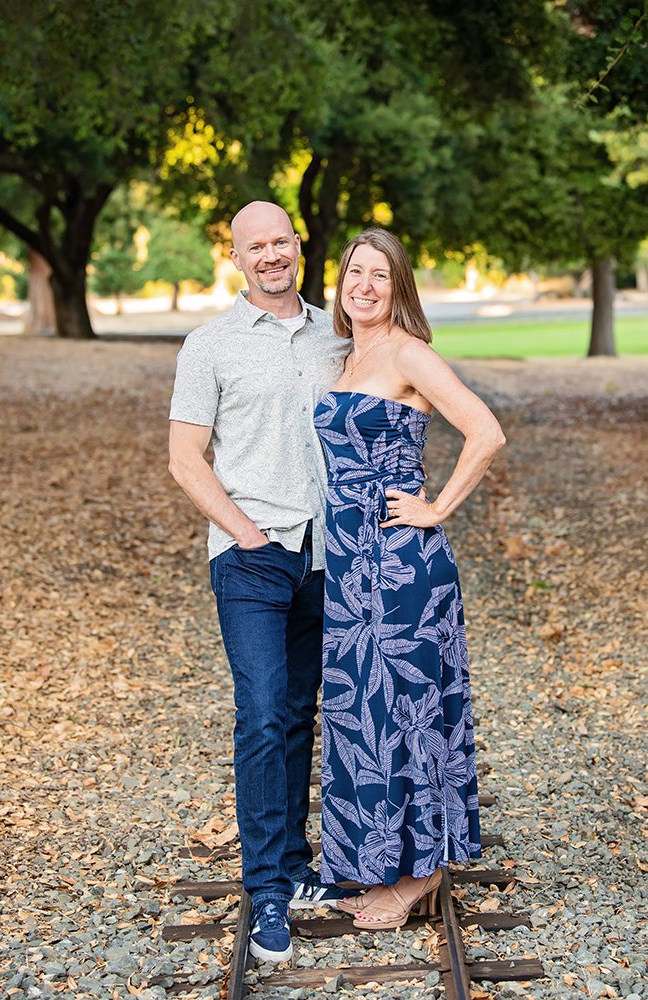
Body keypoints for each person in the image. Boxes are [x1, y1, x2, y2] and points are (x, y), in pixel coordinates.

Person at [168, 202, 349, 962]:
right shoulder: (208, 345)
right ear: (235, 256)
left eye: (280, 241)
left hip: (324, 555)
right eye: (255, 246)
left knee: (301, 712)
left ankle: (298, 867)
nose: (271, 255)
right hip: (249, 556)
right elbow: (185, 459)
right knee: (263, 711)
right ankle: (268, 889)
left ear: (297, 246)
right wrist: (246, 531)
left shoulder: (336, 338)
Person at [313, 229, 505, 929]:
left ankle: (420, 876)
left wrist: (434, 509)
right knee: (363, 717)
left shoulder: (407, 353)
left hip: (400, 571)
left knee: (408, 714)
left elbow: (484, 432)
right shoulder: (348, 355)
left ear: (398, 289)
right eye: (354, 272)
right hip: (350, 568)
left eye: (379, 276)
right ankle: (379, 863)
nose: (363, 285)